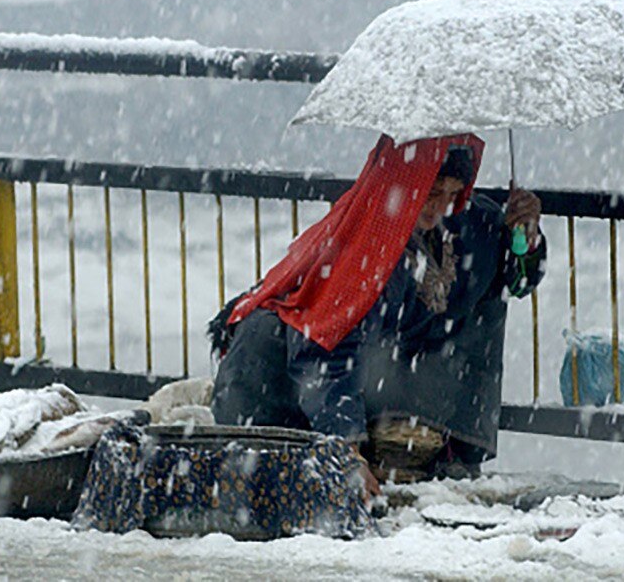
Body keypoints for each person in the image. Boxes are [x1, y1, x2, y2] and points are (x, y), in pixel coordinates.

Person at [210, 133, 545, 499]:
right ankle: (350, 446)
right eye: (431, 193)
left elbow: (516, 282)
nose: (440, 207)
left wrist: (522, 236)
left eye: (452, 194)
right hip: (271, 378)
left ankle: (443, 446)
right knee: (278, 487)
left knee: (481, 301)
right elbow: (325, 349)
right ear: (406, 185)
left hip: (358, 364)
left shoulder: (467, 222)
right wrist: (344, 450)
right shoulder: (371, 242)